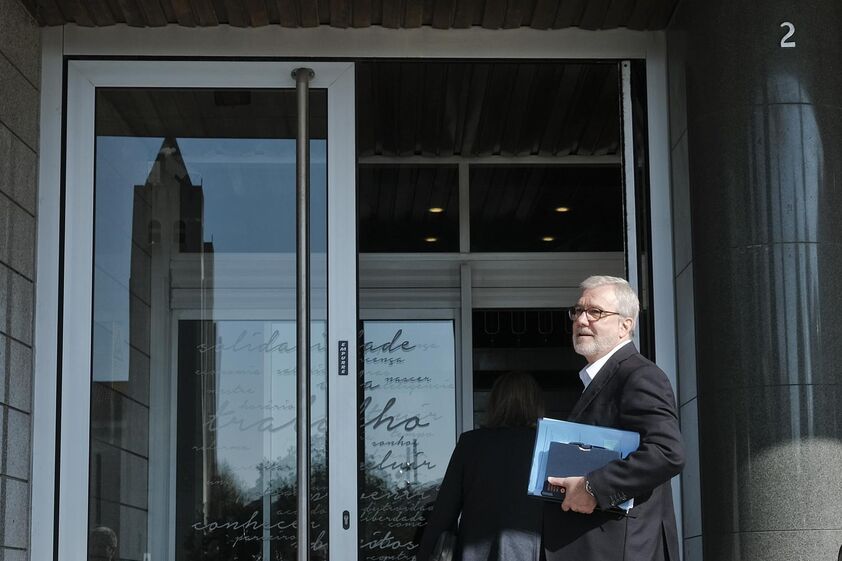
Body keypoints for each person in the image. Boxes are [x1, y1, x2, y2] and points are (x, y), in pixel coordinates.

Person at [544, 275, 685, 561]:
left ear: (625, 325)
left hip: (623, 549)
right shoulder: (599, 379)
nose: (582, 320)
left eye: (595, 312)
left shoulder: (639, 375)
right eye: (578, 311)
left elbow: (666, 452)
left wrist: (593, 487)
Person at [416, 371, 545, 561]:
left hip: (475, 553)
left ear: (494, 403)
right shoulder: (546, 446)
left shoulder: (470, 443)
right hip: (531, 551)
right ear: (536, 403)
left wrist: (426, 553)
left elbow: (445, 509)